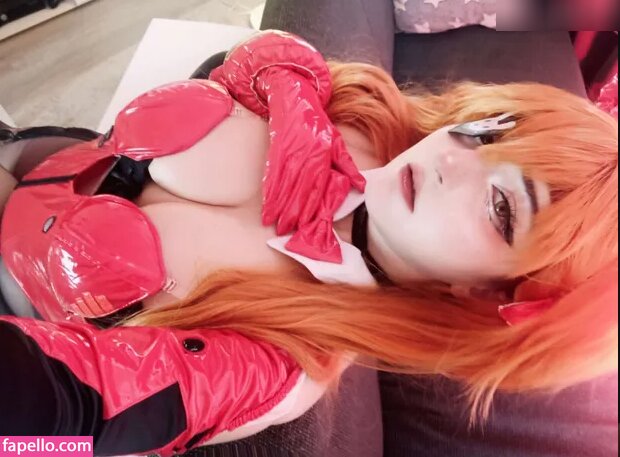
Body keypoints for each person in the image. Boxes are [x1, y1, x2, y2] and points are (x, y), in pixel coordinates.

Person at [0, 31, 617, 456]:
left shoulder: (281, 366)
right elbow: (253, 54)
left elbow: (60, 424)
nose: (451, 159)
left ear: (488, 294)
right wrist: (288, 90)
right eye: (486, 133)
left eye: (502, 206)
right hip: (41, 147)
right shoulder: (371, 120)